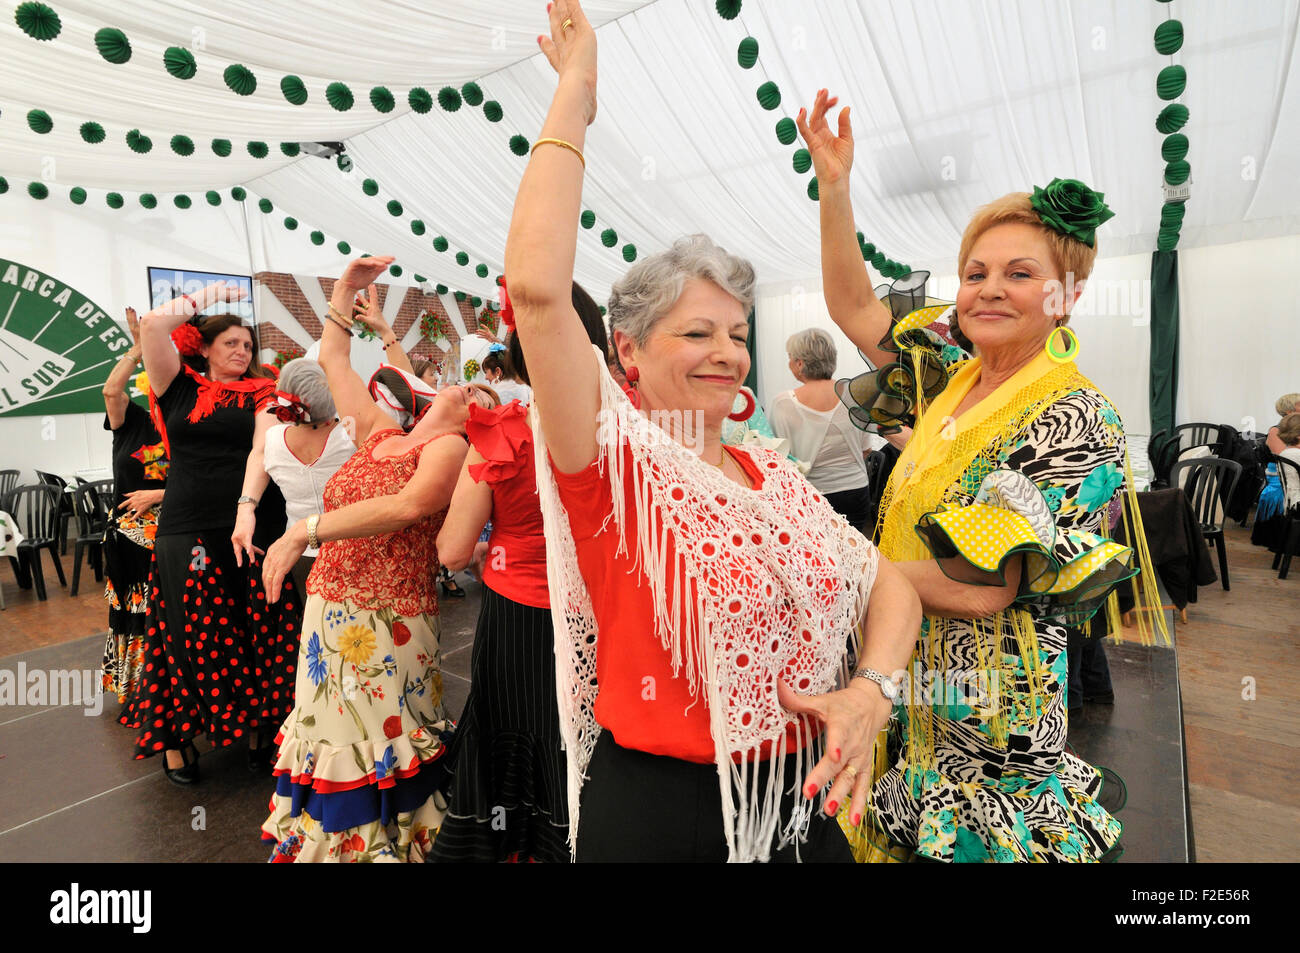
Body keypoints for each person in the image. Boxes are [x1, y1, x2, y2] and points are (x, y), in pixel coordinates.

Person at [506, 0, 921, 863]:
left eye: (736, 335)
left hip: (802, 804)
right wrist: (577, 94)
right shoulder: (610, 460)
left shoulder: (767, 469)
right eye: (697, 333)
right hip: (669, 815)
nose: (727, 355)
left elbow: (889, 586)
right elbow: (539, 290)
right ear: (627, 348)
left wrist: (871, 691)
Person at [801, 88, 1156, 862]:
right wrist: (835, 187)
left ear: (1066, 295)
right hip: (907, 666)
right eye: (975, 271)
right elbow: (854, 303)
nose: (989, 287)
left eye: (1019, 273)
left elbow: (983, 583)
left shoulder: (1073, 416)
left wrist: (835, 570)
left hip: (989, 706)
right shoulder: (953, 372)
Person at [257, 258, 499, 863]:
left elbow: (406, 506)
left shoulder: (451, 448)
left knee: (378, 738)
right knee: (328, 732)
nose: (473, 390)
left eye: (485, 397)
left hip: (387, 622)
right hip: (329, 610)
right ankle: (336, 844)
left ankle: (388, 844)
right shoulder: (379, 431)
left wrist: (301, 532)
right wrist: (344, 289)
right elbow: (334, 361)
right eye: (471, 383)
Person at [431, 283, 605, 863]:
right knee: (580, 735)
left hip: (518, 616)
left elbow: (453, 550)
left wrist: (490, 547)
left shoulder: (502, 432)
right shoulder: (624, 424)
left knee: (514, 731)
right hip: (599, 613)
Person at [124, 285, 301, 784]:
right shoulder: (177, 386)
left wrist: (247, 509)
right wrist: (207, 296)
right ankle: (176, 742)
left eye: (247, 345)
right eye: (231, 343)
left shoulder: (266, 394)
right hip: (188, 527)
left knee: (261, 628)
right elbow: (152, 327)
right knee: (187, 634)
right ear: (203, 347)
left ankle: (260, 731)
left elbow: (261, 451)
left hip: (255, 525)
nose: (242, 352)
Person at [231, 358, 355, 605]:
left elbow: (258, 455)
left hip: (300, 552)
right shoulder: (350, 435)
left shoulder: (273, 440)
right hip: (353, 545)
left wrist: (245, 507)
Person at [100, 306, 167, 707]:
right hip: (126, 538)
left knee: (157, 611)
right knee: (129, 609)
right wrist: (138, 348)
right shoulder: (132, 421)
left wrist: (159, 495)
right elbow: (111, 391)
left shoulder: (185, 426)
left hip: (168, 533)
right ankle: (133, 684)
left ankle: (157, 684)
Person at [769, 328, 877, 532]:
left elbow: (780, 458)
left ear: (800, 363)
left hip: (811, 496)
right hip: (856, 492)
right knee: (854, 558)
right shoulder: (856, 394)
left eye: (790, 358)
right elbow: (866, 450)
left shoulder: (783, 403)